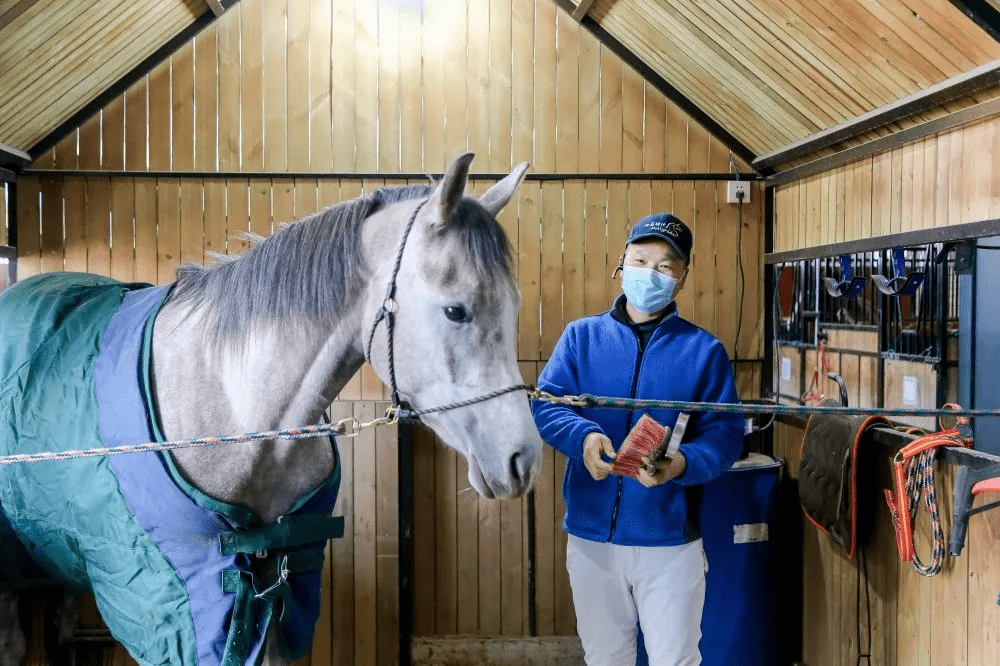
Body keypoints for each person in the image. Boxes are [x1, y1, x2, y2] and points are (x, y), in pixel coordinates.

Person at [532, 212, 744, 666]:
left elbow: (725, 436)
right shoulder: (581, 338)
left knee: (675, 659)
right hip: (591, 541)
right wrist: (584, 437)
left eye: (666, 266)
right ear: (620, 263)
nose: (651, 272)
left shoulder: (704, 351)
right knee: (605, 658)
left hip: (670, 543)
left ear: (682, 278)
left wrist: (682, 463)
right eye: (641, 259)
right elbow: (546, 404)